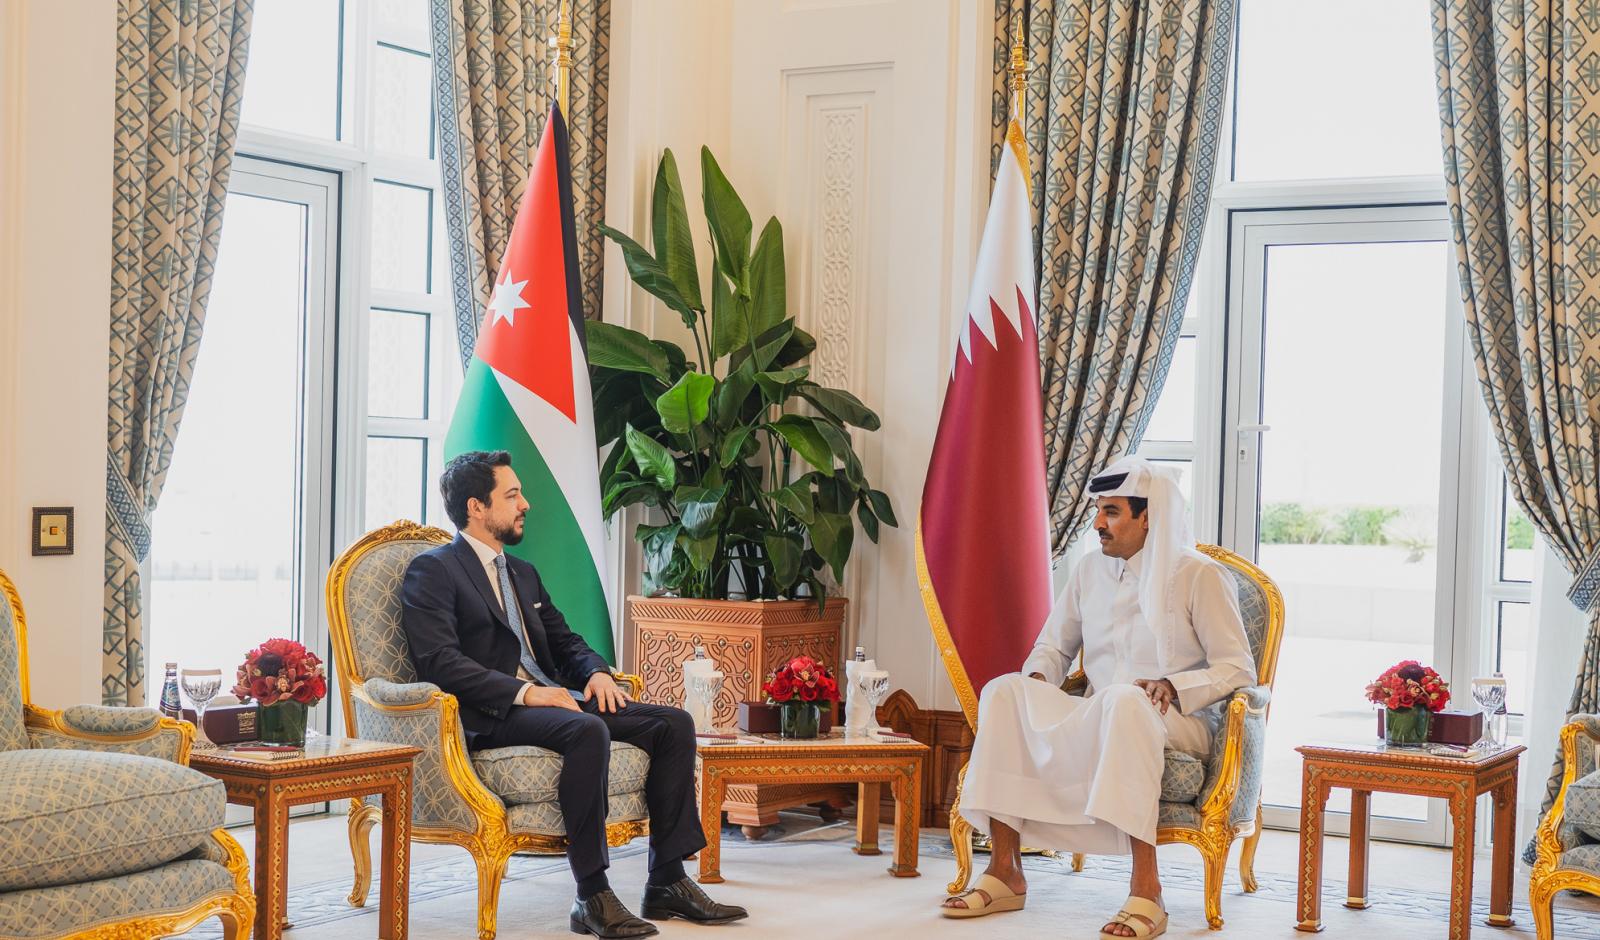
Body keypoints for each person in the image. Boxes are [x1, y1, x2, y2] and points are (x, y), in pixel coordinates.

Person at [402, 450, 747, 939]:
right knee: (585, 730)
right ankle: (591, 894)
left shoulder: (521, 572)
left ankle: (667, 880)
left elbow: (564, 642)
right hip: (490, 712)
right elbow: (440, 662)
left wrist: (597, 673)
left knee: (673, 724)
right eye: (513, 495)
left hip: (554, 697)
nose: (527, 504)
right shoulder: (434, 571)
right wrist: (526, 693)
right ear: (477, 507)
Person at [941, 456, 1256, 939]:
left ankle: (1147, 891)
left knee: (1126, 701)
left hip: (1177, 717)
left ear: (1148, 516)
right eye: (1098, 511)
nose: (1097, 524)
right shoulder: (1090, 571)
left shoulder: (1199, 576)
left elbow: (1238, 668)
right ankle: (1005, 870)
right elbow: (1052, 647)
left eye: (1110, 512)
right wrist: (1038, 683)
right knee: (1004, 691)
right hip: (1099, 709)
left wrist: (1173, 686)